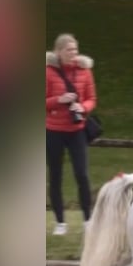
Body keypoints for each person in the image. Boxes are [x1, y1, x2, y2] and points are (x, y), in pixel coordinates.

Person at [45, 33, 97, 236]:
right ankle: (60, 223)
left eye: (75, 49)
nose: (73, 54)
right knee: (56, 176)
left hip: (77, 131)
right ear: (58, 51)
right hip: (53, 131)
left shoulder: (84, 71)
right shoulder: (48, 72)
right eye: (69, 50)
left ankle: (87, 220)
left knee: (82, 175)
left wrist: (82, 107)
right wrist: (59, 99)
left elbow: (92, 99)